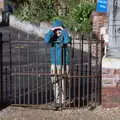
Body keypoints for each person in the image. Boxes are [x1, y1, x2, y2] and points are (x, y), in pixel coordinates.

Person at [44, 20, 72, 105]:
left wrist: (63, 31)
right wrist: (52, 30)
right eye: (56, 30)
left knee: (64, 82)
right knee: (55, 82)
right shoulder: (52, 38)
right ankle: (57, 99)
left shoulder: (65, 36)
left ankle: (64, 100)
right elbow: (46, 40)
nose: (58, 31)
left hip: (64, 64)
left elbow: (67, 41)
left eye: (59, 29)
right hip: (54, 64)